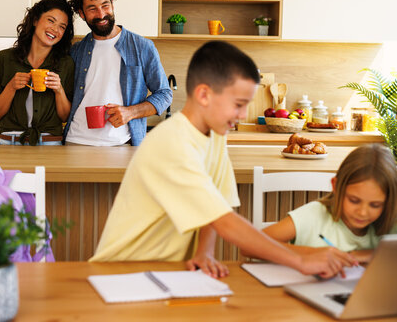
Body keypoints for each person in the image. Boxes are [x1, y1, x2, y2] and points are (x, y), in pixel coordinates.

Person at [89, 41, 354, 280]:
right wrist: (300, 260)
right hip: (121, 273)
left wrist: (204, 251)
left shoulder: (214, 135)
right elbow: (225, 222)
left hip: (169, 273)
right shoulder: (172, 142)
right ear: (204, 95)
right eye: (238, 104)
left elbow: (216, 204)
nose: (242, 114)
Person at [63, 0, 172, 146]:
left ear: (112, 5)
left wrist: (130, 112)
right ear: (82, 14)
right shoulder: (76, 51)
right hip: (76, 141)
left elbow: (165, 94)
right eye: (92, 9)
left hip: (122, 143)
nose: (101, 14)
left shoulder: (142, 47)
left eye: (105, 5)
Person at [261, 144, 397, 263]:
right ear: (336, 186)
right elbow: (254, 245)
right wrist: (310, 254)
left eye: (375, 205)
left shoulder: (391, 224)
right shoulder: (314, 215)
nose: (363, 212)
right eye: (354, 200)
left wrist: (369, 254)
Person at [0, 0, 75, 146]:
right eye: (51, 20)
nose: (55, 29)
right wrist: (11, 86)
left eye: (62, 26)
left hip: (50, 143)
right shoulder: (5, 58)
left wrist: (59, 90)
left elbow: (65, 116)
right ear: (35, 20)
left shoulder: (66, 64)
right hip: (10, 142)